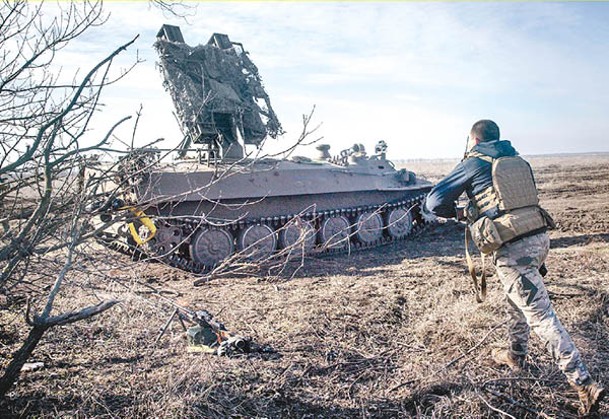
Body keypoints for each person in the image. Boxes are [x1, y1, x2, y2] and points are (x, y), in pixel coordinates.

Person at [422, 119, 605, 415]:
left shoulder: (474, 161)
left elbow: (433, 202)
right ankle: (516, 355)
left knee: (541, 316)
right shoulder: (517, 160)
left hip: (513, 247)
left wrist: (460, 212)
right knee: (516, 302)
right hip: (539, 238)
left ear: (474, 140)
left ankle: (583, 382)